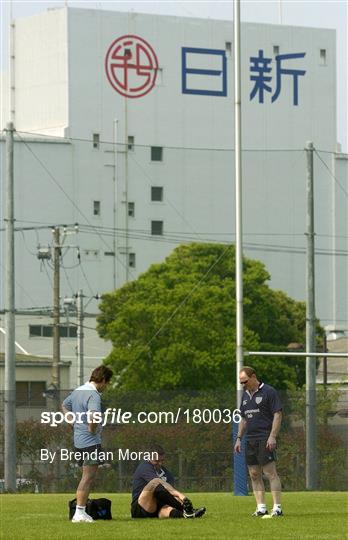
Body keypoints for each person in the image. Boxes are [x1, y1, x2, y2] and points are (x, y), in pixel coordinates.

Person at [62, 364, 113, 523]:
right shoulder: (94, 395)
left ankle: (81, 510)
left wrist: (72, 422)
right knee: (87, 478)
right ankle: (80, 512)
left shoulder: (78, 391)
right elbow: (93, 416)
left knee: (86, 477)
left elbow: (64, 405)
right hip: (90, 442)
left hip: (79, 440)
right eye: (108, 383)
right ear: (103, 380)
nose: (107, 387)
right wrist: (92, 429)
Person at [234, 366, 283, 518]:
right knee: (254, 474)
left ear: (253, 376)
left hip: (265, 438)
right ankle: (261, 507)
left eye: (245, 381)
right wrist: (239, 438)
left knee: (270, 473)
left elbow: (277, 414)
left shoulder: (269, 391)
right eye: (241, 383)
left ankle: (277, 508)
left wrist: (273, 436)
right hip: (250, 439)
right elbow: (243, 419)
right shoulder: (245, 395)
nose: (243, 385)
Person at [131, 444, 206, 519]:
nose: (160, 463)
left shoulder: (167, 473)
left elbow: (169, 495)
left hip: (156, 506)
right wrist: (181, 496)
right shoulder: (144, 467)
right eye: (156, 461)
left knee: (168, 509)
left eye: (162, 460)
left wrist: (182, 502)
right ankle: (189, 510)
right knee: (155, 482)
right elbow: (158, 485)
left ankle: (187, 514)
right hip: (140, 507)